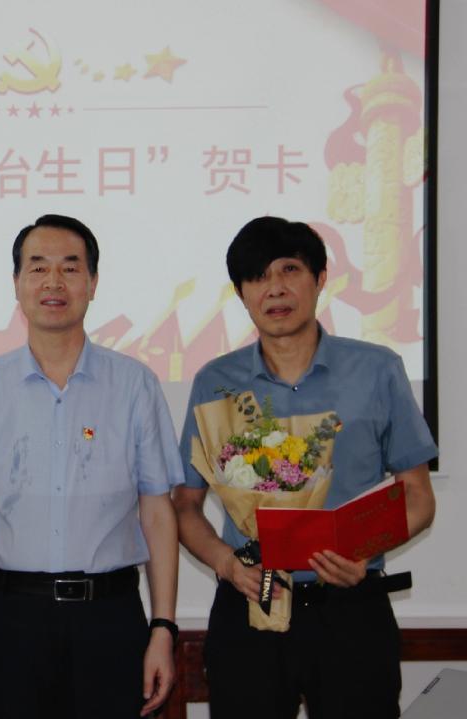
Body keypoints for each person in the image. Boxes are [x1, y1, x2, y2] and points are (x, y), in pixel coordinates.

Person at [173, 216, 438, 719]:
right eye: (257, 277)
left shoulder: (377, 369)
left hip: (350, 606)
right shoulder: (215, 380)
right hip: (251, 603)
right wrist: (227, 565)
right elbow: (185, 505)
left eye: (289, 270)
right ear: (241, 293)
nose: (275, 288)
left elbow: (419, 496)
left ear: (320, 279)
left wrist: (364, 551)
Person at [0, 214, 182, 719]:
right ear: (17, 283)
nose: (54, 282)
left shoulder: (135, 386)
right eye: (38, 267)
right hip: (7, 619)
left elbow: (157, 512)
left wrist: (163, 629)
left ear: (93, 283)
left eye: (70, 267)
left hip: (110, 620)